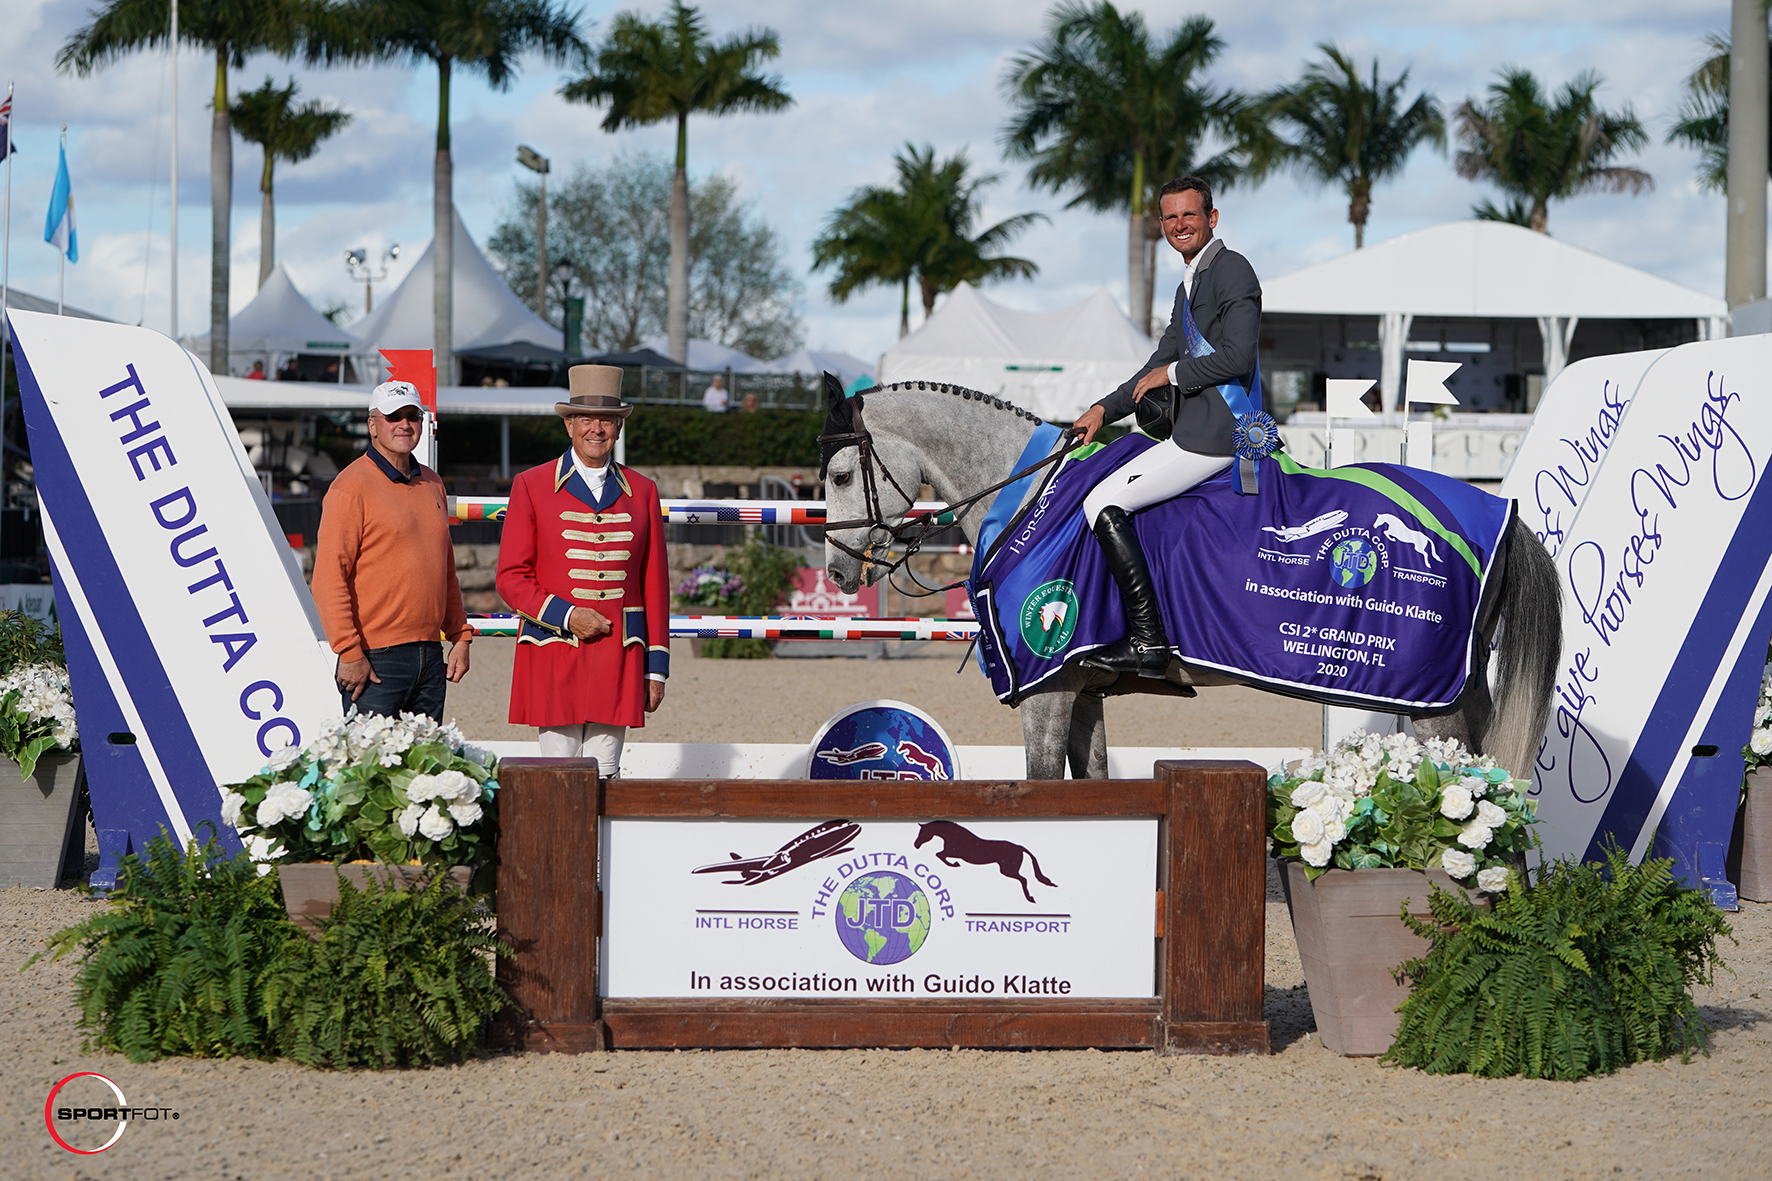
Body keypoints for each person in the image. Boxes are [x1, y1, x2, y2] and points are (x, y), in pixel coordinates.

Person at [1070, 175, 1262, 679]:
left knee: (1102, 502)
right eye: (1171, 217)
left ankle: (1148, 640)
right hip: (1190, 431)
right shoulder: (1190, 283)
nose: (1180, 225)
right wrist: (1102, 410)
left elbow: (1238, 357)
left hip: (1216, 434)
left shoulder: (1232, 270)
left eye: (1190, 215)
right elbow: (1156, 362)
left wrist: (1174, 373)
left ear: (1211, 219)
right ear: (1161, 225)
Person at [497, 365, 670, 777]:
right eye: (586, 420)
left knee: (606, 773)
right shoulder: (531, 484)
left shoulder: (643, 490)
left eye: (607, 420)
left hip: (620, 653)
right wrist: (568, 615)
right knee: (557, 775)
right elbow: (510, 577)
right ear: (569, 425)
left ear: (619, 428)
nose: (597, 429)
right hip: (554, 647)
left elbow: (656, 584)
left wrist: (657, 667)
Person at [313, 381, 472, 719]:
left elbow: (446, 570)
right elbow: (328, 579)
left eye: (412, 415)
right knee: (368, 768)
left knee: (427, 767)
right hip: (374, 657)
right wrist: (350, 651)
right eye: (392, 416)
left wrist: (460, 636)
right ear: (373, 425)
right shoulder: (349, 487)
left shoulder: (432, 483)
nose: (404, 424)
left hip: (430, 655)